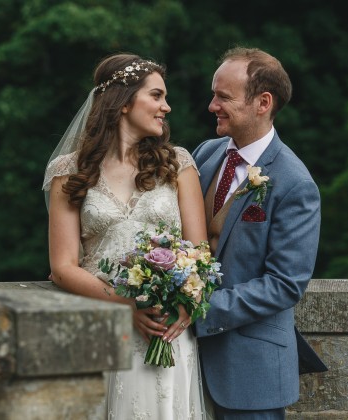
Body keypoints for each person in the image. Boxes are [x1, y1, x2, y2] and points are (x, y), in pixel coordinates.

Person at [43, 53, 208, 419]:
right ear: (123, 102)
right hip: (106, 327)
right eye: (156, 95)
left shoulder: (178, 165)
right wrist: (127, 304)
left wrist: (184, 303)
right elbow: (63, 266)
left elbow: (200, 253)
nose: (166, 107)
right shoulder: (69, 173)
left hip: (165, 329)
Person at [192, 47, 325, 419]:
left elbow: (285, 284)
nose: (211, 105)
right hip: (184, 367)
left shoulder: (294, 183)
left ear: (263, 102)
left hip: (250, 373)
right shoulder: (205, 154)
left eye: (223, 97)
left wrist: (195, 313)